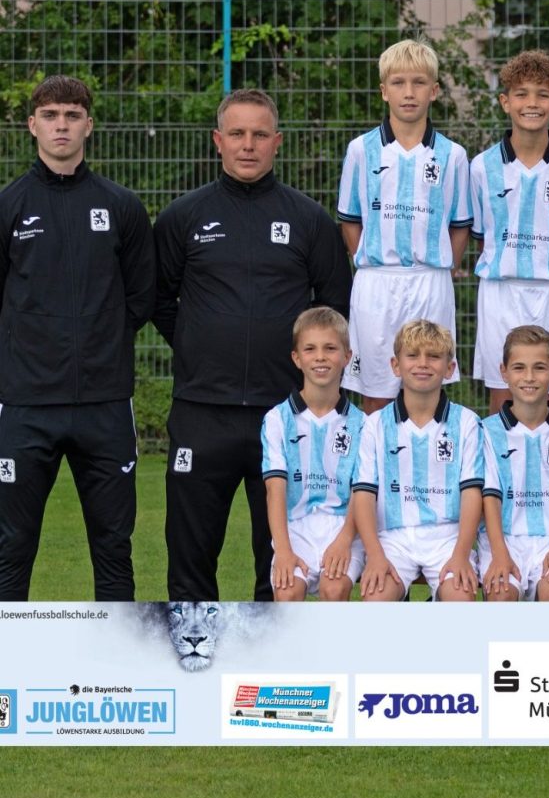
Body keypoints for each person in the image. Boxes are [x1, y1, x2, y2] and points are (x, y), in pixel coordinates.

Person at [153, 87, 352, 601]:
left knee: (281, 562)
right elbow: (158, 299)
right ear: (217, 140)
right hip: (202, 410)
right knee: (191, 555)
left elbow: (333, 307)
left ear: (277, 142)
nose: (248, 145)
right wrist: (198, 343)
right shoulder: (183, 216)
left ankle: (271, 649)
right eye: (237, 134)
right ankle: (194, 647)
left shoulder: (308, 220)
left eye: (260, 135)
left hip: (283, 412)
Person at [0, 75, 154, 600]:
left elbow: (141, 297)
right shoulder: (9, 205)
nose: (60, 126)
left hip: (104, 404)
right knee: (11, 547)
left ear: (89, 124)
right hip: (25, 405)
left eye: (71, 115)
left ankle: (116, 651)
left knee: (113, 547)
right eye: (50, 116)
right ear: (32, 126)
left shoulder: (121, 206)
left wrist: (98, 340)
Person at [337, 39, 471, 413]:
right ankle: (376, 454)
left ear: (434, 90)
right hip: (377, 283)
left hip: (430, 281)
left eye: (418, 83)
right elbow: (350, 220)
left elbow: (460, 225)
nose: (408, 93)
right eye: (398, 83)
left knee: (427, 386)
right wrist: (372, 261)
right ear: (384, 91)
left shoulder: (453, 155)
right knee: (376, 393)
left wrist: (443, 267)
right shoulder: (361, 150)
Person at [469, 51, 549, 411]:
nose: (532, 103)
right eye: (521, 94)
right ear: (505, 102)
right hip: (501, 292)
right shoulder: (482, 167)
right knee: (502, 394)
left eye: (542, 94)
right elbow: (481, 234)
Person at [350, 320, 484, 602]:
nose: (423, 363)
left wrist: (461, 554)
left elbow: (472, 493)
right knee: (375, 599)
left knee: (461, 599)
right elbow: (363, 494)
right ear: (395, 365)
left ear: (450, 368)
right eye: (412, 355)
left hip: (448, 539)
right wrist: (375, 555)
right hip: (393, 539)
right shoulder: (375, 424)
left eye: (434, 356)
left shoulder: (467, 422)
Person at [260, 307, 365, 602]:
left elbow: (361, 492)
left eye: (330, 348)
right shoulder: (277, 419)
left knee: (334, 589)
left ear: (347, 356)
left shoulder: (363, 424)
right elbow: (274, 488)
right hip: (295, 529)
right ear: (296, 358)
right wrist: (283, 549)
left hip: (344, 527)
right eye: (310, 349)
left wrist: (345, 539)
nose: (320, 357)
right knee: (287, 592)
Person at [476, 325, 549, 602]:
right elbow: (489, 498)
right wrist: (500, 554)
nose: (529, 377)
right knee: (501, 595)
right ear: (504, 372)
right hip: (502, 541)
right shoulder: (486, 431)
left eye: (540, 368)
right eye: (519, 368)